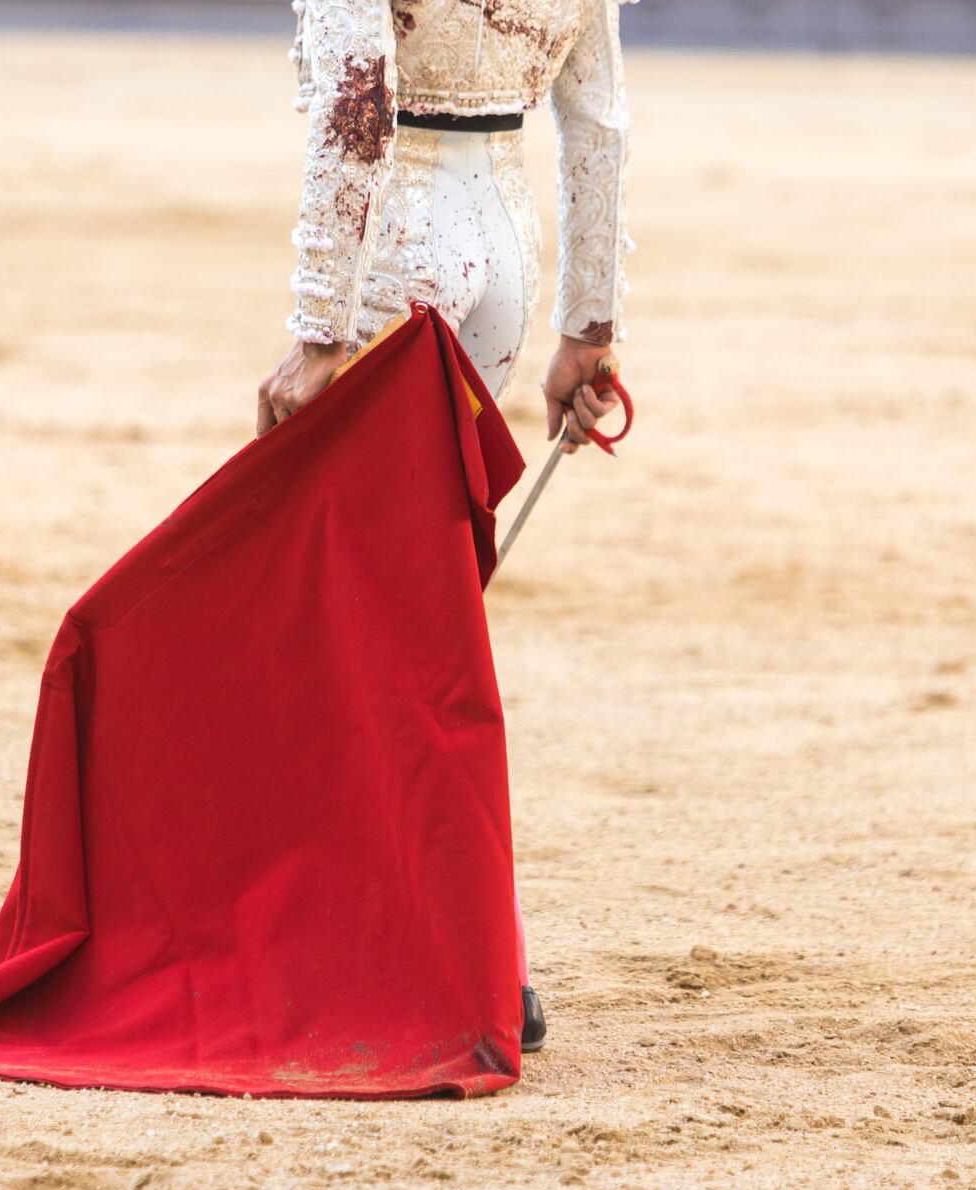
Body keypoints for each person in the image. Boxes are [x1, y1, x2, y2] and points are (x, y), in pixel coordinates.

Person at [257, 0, 634, 1053]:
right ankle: (465, 947)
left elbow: (357, 97)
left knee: (360, 624)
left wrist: (317, 327)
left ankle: (470, 955)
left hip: (400, 253)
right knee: (419, 612)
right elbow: (597, 120)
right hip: (504, 246)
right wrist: (587, 328)